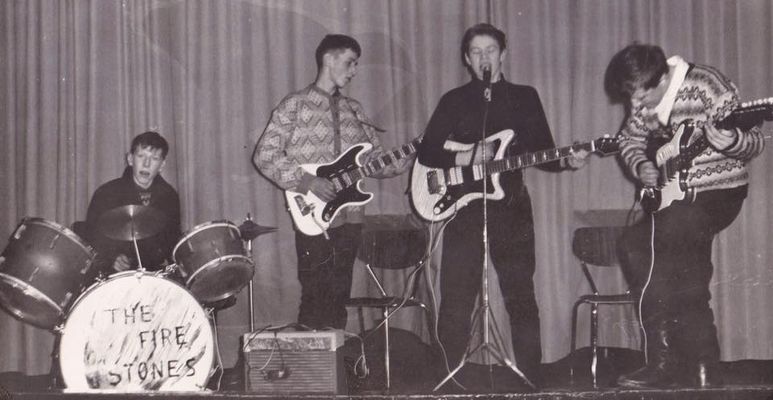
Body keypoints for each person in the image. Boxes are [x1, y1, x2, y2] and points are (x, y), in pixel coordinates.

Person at [417, 23, 587, 389]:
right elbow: (428, 152)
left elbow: (544, 150)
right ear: (466, 59)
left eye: (490, 50)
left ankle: (532, 377)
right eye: (476, 52)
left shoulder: (525, 97)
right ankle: (448, 379)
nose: (484, 58)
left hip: (511, 208)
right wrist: (466, 155)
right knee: (456, 298)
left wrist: (567, 160)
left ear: (503, 54)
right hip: (462, 209)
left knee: (521, 294)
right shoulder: (453, 100)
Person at [607, 43, 765, 388]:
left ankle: (670, 364)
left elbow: (755, 142)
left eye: (640, 97)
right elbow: (628, 141)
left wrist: (731, 140)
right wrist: (643, 165)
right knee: (635, 247)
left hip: (720, 191)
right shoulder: (641, 98)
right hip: (675, 198)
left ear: (662, 79)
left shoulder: (707, 85)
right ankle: (699, 366)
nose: (635, 106)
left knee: (678, 241)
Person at [253, 34, 411, 330]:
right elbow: (264, 155)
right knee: (314, 295)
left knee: (340, 296)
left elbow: (377, 162)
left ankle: (335, 370)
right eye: (350, 63)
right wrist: (307, 182)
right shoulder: (294, 105)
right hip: (312, 216)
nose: (354, 71)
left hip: (350, 217)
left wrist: (412, 154)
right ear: (329, 59)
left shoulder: (356, 110)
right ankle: (314, 371)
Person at [85, 131, 182, 275]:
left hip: (155, 275)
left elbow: (172, 241)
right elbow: (90, 237)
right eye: (141, 156)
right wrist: (112, 257)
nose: (146, 164)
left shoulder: (170, 196)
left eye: (154, 158)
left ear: (162, 165)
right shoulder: (106, 193)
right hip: (114, 274)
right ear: (130, 159)